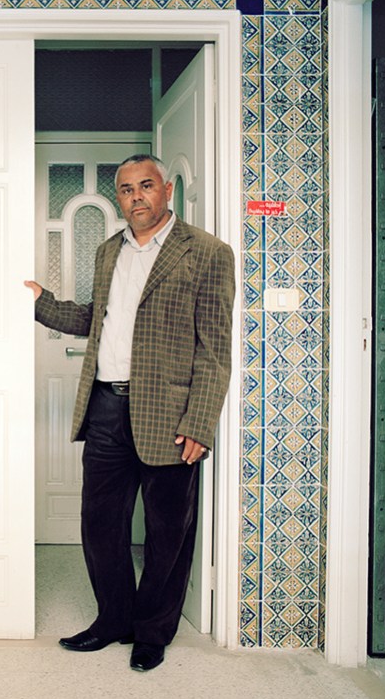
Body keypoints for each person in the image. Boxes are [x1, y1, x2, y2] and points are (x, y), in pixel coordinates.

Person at [25, 154, 235, 672]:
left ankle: (151, 632)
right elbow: (95, 320)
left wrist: (200, 423)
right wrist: (40, 301)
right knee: (100, 523)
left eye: (146, 185)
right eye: (126, 189)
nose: (136, 196)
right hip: (104, 407)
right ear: (119, 197)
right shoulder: (107, 252)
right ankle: (113, 619)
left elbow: (215, 349)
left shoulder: (208, 252)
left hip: (170, 414)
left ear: (167, 190)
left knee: (167, 531)